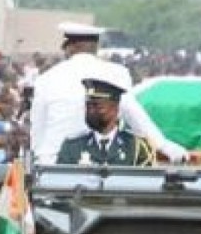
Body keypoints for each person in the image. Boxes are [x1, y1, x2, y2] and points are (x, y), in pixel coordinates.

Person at [29, 22, 188, 165]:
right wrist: (165, 146)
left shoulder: (46, 79)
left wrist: (38, 161)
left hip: (52, 167)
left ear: (71, 47)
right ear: (95, 47)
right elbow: (136, 118)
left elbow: (37, 132)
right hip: (103, 165)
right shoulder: (116, 73)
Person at [56, 78, 155, 167]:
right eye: (88, 106)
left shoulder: (136, 146)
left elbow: (147, 183)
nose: (91, 111)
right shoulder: (72, 146)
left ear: (115, 109)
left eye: (98, 107)